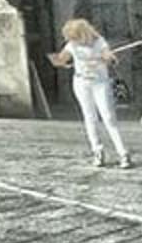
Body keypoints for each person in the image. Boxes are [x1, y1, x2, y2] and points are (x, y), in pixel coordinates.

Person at [48, 17, 131, 168]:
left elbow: (110, 58)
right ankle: (97, 151)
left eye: (74, 37)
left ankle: (123, 153)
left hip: (100, 83)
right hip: (81, 83)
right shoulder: (72, 45)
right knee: (89, 117)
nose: (72, 41)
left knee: (108, 117)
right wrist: (58, 61)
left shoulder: (99, 42)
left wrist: (107, 58)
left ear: (82, 34)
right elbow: (63, 58)